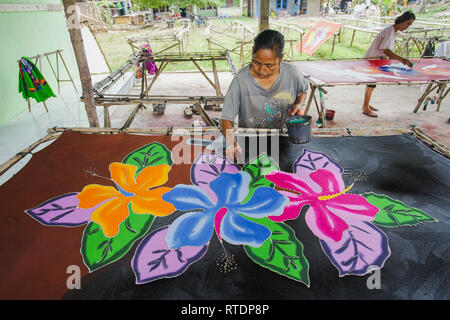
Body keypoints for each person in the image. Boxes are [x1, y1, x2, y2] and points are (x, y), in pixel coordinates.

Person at [220, 29, 310, 160]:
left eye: (269, 65)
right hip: (250, 143)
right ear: (252, 54)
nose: (262, 70)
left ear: (281, 58)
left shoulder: (292, 74)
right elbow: (226, 118)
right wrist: (231, 143)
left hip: (283, 140)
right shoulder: (241, 80)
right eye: (256, 63)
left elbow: (303, 90)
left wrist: (298, 103)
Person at [362, 11, 415, 117]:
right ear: (402, 21)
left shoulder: (392, 31)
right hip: (373, 60)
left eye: (410, 25)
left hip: (376, 60)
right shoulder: (389, 31)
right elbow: (386, 51)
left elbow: (387, 51)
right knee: (371, 85)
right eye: (407, 23)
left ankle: (366, 104)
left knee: (371, 85)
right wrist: (402, 60)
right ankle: (365, 108)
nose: (407, 27)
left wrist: (400, 59)